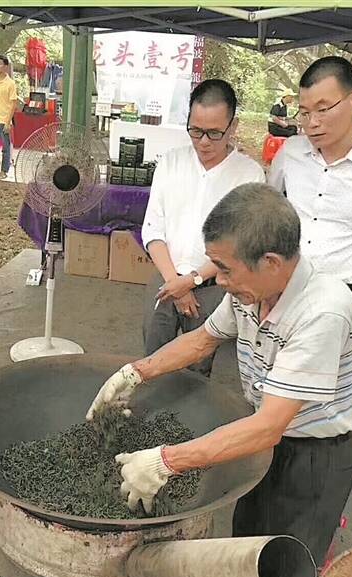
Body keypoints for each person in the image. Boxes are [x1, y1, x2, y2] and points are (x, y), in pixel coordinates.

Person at [87, 182, 352, 577]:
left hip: (318, 454)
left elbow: (268, 426)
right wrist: (136, 372)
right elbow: (204, 340)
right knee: (246, 533)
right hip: (269, 437)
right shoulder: (251, 292)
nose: (215, 278)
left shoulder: (322, 312)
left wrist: (165, 460)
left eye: (223, 268)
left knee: (283, 563)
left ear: (271, 262)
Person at [269, 56, 352, 347]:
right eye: (304, 112)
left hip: (340, 292)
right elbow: (267, 209)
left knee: (327, 371)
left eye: (323, 109)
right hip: (282, 285)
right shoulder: (291, 152)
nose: (312, 123)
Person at [142, 79, 264, 377]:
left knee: (197, 370)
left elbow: (240, 244)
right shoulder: (171, 162)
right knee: (153, 361)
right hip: (166, 279)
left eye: (214, 133)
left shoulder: (249, 175)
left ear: (233, 126)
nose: (204, 142)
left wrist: (192, 281)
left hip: (213, 286)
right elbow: (153, 228)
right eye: (195, 131)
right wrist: (175, 282)